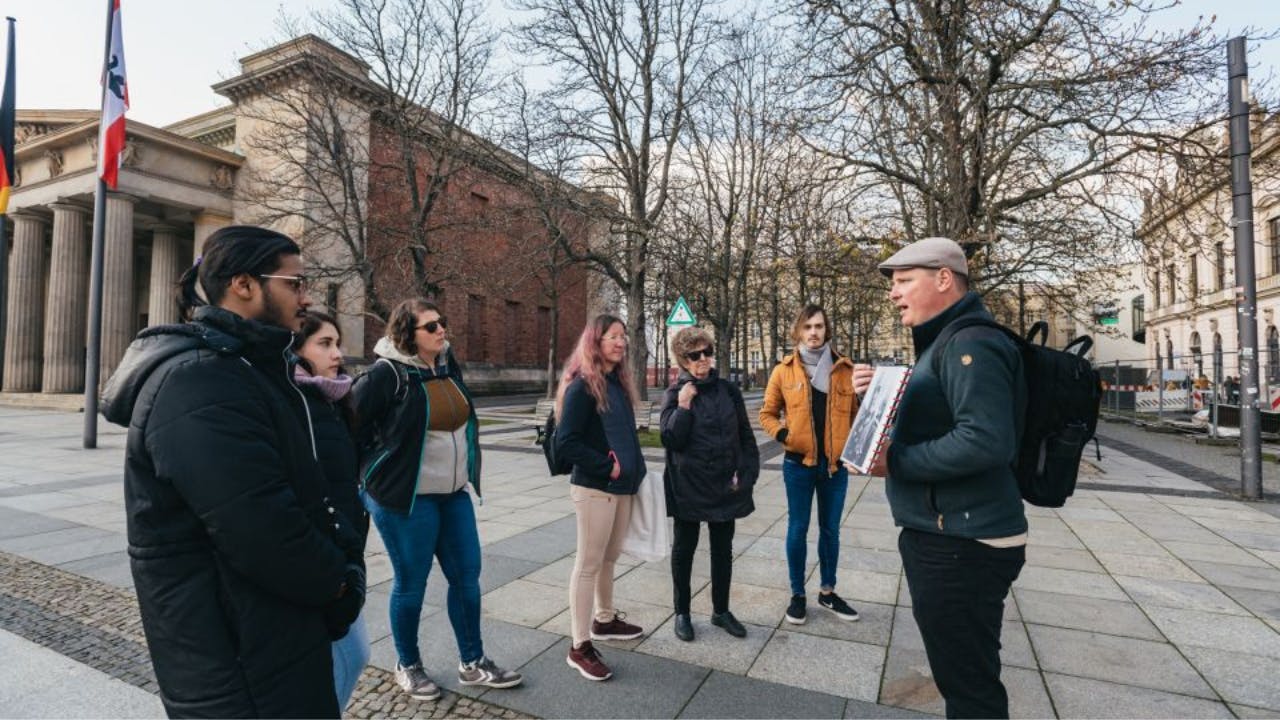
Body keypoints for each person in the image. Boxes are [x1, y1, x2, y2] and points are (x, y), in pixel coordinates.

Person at [101, 226, 364, 718]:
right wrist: (339, 582)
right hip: (236, 657)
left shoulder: (251, 368)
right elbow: (261, 529)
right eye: (295, 283)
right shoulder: (201, 380)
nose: (305, 297)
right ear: (244, 284)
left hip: (266, 637)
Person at [870, 236, 1028, 719]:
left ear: (944, 279)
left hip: (961, 541)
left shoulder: (969, 342)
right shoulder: (946, 341)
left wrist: (895, 461)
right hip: (950, 533)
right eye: (893, 284)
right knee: (967, 672)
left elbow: (984, 440)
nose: (894, 293)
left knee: (968, 687)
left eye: (904, 281)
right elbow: (941, 416)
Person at [353, 298, 523, 700]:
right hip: (405, 500)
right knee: (411, 584)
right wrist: (365, 480)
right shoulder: (385, 375)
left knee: (467, 578)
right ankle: (407, 664)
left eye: (442, 323)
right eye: (431, 327)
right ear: (407, 334)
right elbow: (349, 428)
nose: (442, 330)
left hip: (453, 495)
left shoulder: (446, 363)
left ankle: (473, 662)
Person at [759, 304, 868, 625]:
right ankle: (797, 595)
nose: (814, 332)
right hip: (798, 464)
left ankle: (828, 592)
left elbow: (856, 417)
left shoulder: (844, 369)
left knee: (830, 530)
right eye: (807, 327)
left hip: (834, 467)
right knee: (798, 528)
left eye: (819, 326)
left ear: (827, 329)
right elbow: (766, 413)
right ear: (798, 332)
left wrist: (855, 449)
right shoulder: (784, 370)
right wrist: (784, 435)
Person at [554, 314, 647, 681]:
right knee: (589, 563)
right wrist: (605, 467)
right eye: (613, 337)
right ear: (595, 341)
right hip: (595, 488)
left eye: (623, 337)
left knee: (610, 557)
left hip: (622, 487)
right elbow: (566, 442)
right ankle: (579, 646)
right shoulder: (582, 386)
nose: (621, 343)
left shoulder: (616, 383)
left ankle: (604, 620)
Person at [292, 311, 371, 710]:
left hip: (345, 547)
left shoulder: (335, 399)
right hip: (322, 555)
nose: (337, 354)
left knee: (349, 656)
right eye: (325, 344)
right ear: (297, 349)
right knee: (350, 655)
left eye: (338, 343)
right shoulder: (296, 402)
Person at [659, 327, 759, 642]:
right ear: (683, 360)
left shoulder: (728, 391)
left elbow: (745, 436)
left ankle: (721, 611)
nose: (703, 359)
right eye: (694, 354)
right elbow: (670, 438)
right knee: (684, 549)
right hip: (688, 484)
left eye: (707, 351)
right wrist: (684, 405)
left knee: (722, 549)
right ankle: (682, 613)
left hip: (723, 485)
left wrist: (745, 475)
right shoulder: (675, 394)